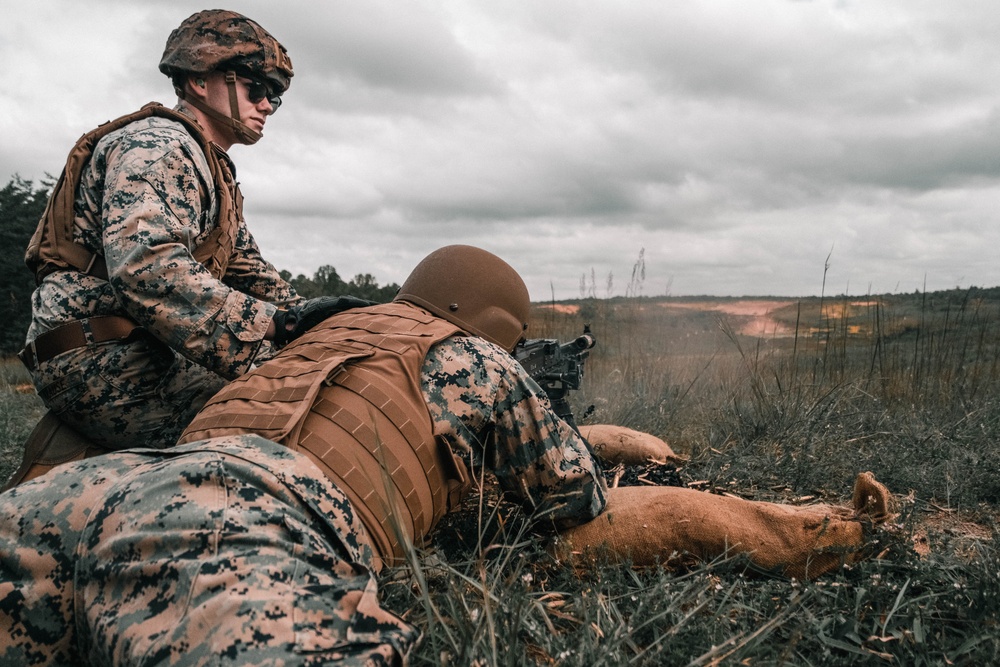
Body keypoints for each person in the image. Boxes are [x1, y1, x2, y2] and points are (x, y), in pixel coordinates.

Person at [0, 245, 891, 664]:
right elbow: (572, 500)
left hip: (103, 481)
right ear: (499, 332)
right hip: (243, 517)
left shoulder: (324, 330)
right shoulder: (471, 359)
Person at [13, 9, 365, 472]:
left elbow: (251, 274)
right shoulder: (159, 144)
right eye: (256, 88)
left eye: (275, 98)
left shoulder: (210, 171)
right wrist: (276, 327)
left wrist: (323, 326)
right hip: (105, 359)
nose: (267, 105)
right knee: (306, 423)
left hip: (140, 348)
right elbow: (146, 267)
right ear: (199, 80)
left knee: (311, 376)